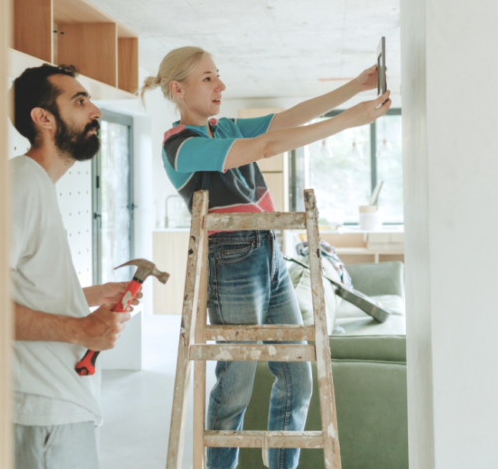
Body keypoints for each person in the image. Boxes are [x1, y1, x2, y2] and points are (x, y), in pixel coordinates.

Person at [141, 47, 390, 469]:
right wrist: (351, 119)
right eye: (208, 79)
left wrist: (356, 87)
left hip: (270, 252)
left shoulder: (223, 128)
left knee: (297, 377)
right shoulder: (181, 147)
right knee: (236, 386)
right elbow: (268, 144)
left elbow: (286, 119)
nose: (221, 85)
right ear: (177, 89)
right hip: (233, 260)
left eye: (218, 75)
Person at [9, 63, 141, 469]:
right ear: (43, 118)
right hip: (46, 409)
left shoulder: (35, 185)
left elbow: (15, 289)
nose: (96, 111)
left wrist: (86, 296)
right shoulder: (21, 185)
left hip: (58, 404)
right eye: (80, 101)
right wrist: (81, 329)